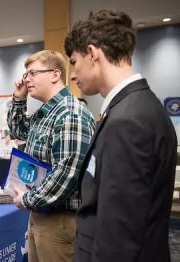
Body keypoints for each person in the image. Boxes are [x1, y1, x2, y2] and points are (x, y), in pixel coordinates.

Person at [64, 9, 177, 262]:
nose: (72, 75)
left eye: (73, 62)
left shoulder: (127, 121)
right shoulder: (139, 106)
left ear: (93, 54)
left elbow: (118, 237)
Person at [8, 50, 95, 262]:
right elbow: (19, 132)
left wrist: (28, 199)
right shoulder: (48, 111)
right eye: (26, 74)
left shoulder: (69, 113)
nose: (25, 79)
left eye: (32, 73)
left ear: (55, 75)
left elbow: (66, 174)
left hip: (60, 220)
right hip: (42, 212)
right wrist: (19, 100)